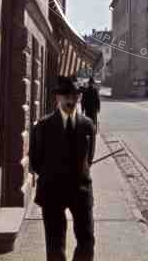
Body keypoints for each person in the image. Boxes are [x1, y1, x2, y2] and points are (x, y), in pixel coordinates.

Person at [29, 76, 96, 261]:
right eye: (65, 96)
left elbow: (89, 158)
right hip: (52, 191)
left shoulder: (88, 126)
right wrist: (54, 173)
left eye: (74, 96)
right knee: (55, 244)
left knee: (87, 241)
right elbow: (35, 161)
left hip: (81, 190)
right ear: (57, 98)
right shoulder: (43, 126)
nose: (70, 100)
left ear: (79, 98)